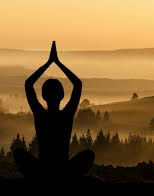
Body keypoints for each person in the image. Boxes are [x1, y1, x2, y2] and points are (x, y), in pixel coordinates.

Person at [14, 41, 95, 178]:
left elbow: (28, 84)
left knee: (18, 153)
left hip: (42, 169)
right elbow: (78, 84)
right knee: (89, 155)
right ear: (62, 95)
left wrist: (49, 63)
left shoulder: (40, 114)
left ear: (44, 96)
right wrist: (57, 62)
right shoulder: (67, 115)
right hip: (64, 169)